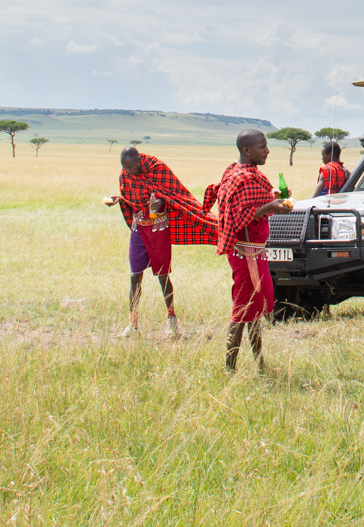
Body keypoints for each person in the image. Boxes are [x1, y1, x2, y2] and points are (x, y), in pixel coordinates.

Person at [205, 130, 295, 372]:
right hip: (245, 255)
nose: (267, 151)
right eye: (262, 147)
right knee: (242, 311)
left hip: (255, 252)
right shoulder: (240, 178)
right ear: (247, 150)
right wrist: (270, 205)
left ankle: (259, 363)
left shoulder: (247, 174)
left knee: (254, 311)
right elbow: (239, 216)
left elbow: (254, 205)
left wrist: (271, 201)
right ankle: (229, 368)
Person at [106, 146, 212, 338]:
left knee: (163, 275)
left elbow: (175, 193)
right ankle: (133, 324)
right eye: (125, 168)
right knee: (135, 276)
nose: (128, 171)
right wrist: (119, 199)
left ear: (140, 160)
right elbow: (131, 199)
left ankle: (172, 320)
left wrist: (161, 201)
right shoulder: (125, 174)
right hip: (139, 227)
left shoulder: (157, 168)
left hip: (158, 227)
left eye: (131, 167)